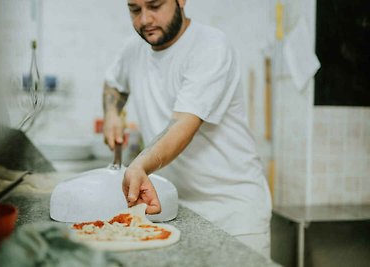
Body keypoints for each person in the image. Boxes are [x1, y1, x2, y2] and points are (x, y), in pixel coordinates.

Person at [103, 0, 272, 257]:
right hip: (173, 209)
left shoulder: (210, 46)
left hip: (233, 213)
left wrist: (139, 165)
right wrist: (112, 113)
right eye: (135, 10)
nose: (145, 19)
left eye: (155, 5)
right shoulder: (133, 50)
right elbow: (113, 84)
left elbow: (183, 124)